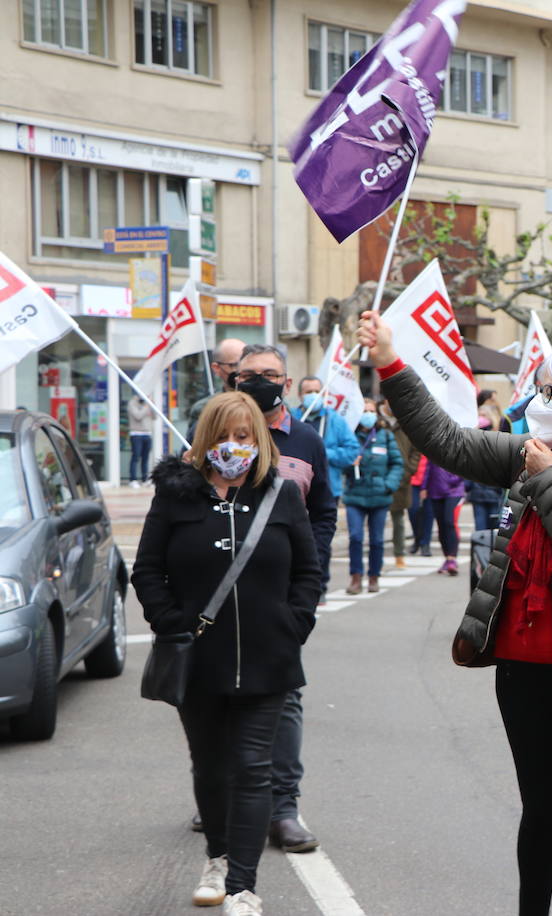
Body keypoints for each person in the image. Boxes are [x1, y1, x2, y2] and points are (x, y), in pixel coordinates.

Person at [360, 310, 552, 916]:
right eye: (538, 387)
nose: (536, 400)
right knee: (540, 814)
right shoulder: (528, 454)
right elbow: (446, 439)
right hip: (525, 667)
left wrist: (551, 478)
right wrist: (390, 362)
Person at [131, 392, 320, 916]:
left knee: (255, 768)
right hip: (198, 661)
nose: (232, 447)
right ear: (204, 439)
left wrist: (295, 623)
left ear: (257, 440)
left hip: (270, 659)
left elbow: (308, 570)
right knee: (211, 768)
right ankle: (215, 858)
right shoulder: (176, 497)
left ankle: (241, 885)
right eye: (222, 435)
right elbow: (147, 570)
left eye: (243, 436)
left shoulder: (280, 495)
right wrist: (172, 625)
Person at [229, 343, 336, 854]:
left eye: (270, 375)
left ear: (286, 383)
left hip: (283, 593)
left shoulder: (308, 441)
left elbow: (323, 512)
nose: (260, 382)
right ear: (233, 379)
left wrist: (309, 580)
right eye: (250, 374)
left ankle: (283, 807)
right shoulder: (211, 434)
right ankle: (223, 795)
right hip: (221, 593)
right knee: (217, 692)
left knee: (284, 695)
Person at [342, 398, 403, 595]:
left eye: (371, 411)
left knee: (377, 540)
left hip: (379, 495)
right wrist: (350, 464)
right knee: (355, 537)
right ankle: (356, 577)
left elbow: (397, 463)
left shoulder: (385, 435)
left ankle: (374, 576)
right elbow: (339, 462)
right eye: (364, 411)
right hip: (355, 494)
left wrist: (388, 485)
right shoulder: (350, 436)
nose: (368, 415)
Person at [293, 375, 360, 501]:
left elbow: (352, 451)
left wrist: (325, 453)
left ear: (324, 394)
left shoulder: (335, 420)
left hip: (328, 489)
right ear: (300, 395)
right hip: (295, 491)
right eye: (308, 392)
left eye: (317, 392)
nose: (314, 395)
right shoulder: (290, 418)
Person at [379, 398, 417, 570]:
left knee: (398, 518)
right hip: (377, 475)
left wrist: (410, 468)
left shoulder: (406, 421)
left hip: (402, 475)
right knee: (377, 518)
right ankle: (376, 556)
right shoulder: (375, 419)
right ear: (386, 401)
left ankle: (399, 554)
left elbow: (417, 447)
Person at [186, 337, 246, 442]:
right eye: (235, 365)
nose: (241, 371)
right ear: (216, 368)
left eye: (246, 364)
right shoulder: (203, 408)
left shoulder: (267, 403)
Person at [468, 390, 509, 531]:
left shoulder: (498, 436)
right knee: (485, 531)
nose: (482, 419)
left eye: (484, 416)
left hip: (493, 491)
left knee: (491, 530)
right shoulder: (476, 437)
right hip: (481, 491)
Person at [424, 456, 466, 577]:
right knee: (441, 525)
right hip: (435, 491)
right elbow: (428, 468)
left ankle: (452, 558)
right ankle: (447, 558)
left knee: (449, 522)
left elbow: (464, 468)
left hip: (454, 491)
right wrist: (424, 487)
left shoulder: (455, 445)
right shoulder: (432, 448)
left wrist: (453, 480)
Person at [408, 456, 435, 557]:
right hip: (413, 479)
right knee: (412, 510)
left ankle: (425, 543)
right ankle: (417, 538)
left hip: (431, 480)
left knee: (429, 514)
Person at [127, 395, 154, 485]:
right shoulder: (132, 403)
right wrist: (147, 406)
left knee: (145, 458)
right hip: (136, 434)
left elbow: (155, 416)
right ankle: (133, 479)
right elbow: (138, 416)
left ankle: (145, 479)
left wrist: (152, 405)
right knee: (136, 457)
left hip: (147, 434)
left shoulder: (148, 404)